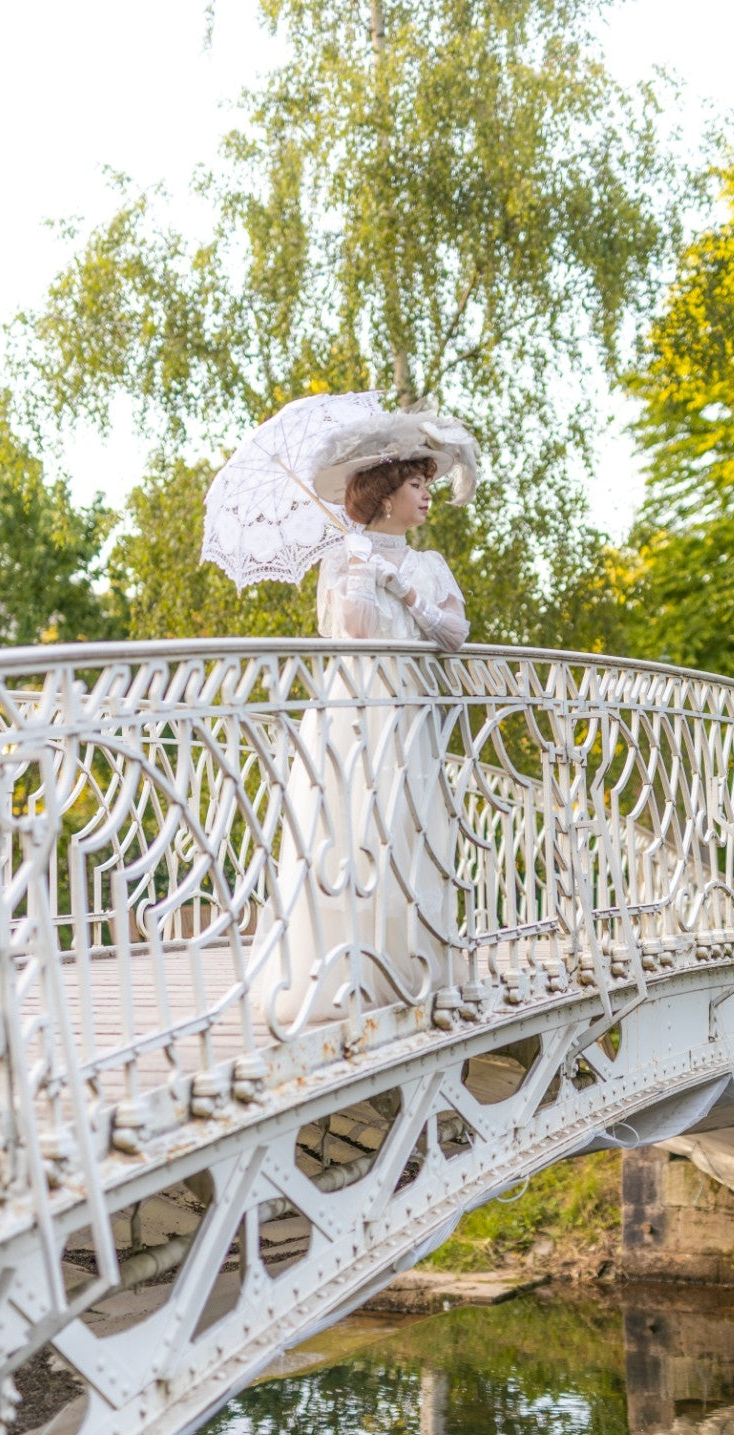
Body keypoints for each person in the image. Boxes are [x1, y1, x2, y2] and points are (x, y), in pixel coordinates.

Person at [252, 411, 477, 1032]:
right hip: (354, 706)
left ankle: (412, 971)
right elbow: (353, 634)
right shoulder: (343, 557)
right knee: (347, 828)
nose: (427, 496)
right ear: (383, 496)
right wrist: (358, 571)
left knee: (408, 823)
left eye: (429, 486)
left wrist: (404, 590)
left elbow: (455, 635)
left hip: (407, 709)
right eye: (417, 486)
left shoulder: (428, 563)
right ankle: (344, 973)